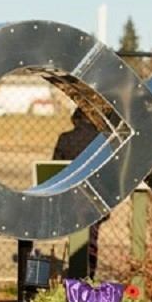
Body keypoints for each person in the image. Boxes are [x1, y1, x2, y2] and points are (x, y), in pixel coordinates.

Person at [54, 108, 102, 278]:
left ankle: (76, 274)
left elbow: (55, 169)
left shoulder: (66, 139)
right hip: (96, 199)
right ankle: (88, 275)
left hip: (71, 199)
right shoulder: (102, 141)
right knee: (92, 238)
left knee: (76, 234)